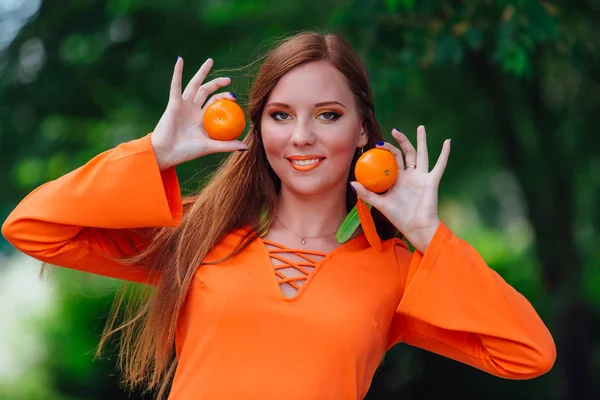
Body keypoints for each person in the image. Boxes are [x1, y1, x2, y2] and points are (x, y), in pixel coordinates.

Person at [1, 31, 556, 400]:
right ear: (259, 126)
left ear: (362, 130)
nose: (301, 137)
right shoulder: (199, 237)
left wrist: (428, 235)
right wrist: (155, 152)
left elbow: (528, 352)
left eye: (328, 115)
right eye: (281, 114)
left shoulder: (395, 270)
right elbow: (32, 226)